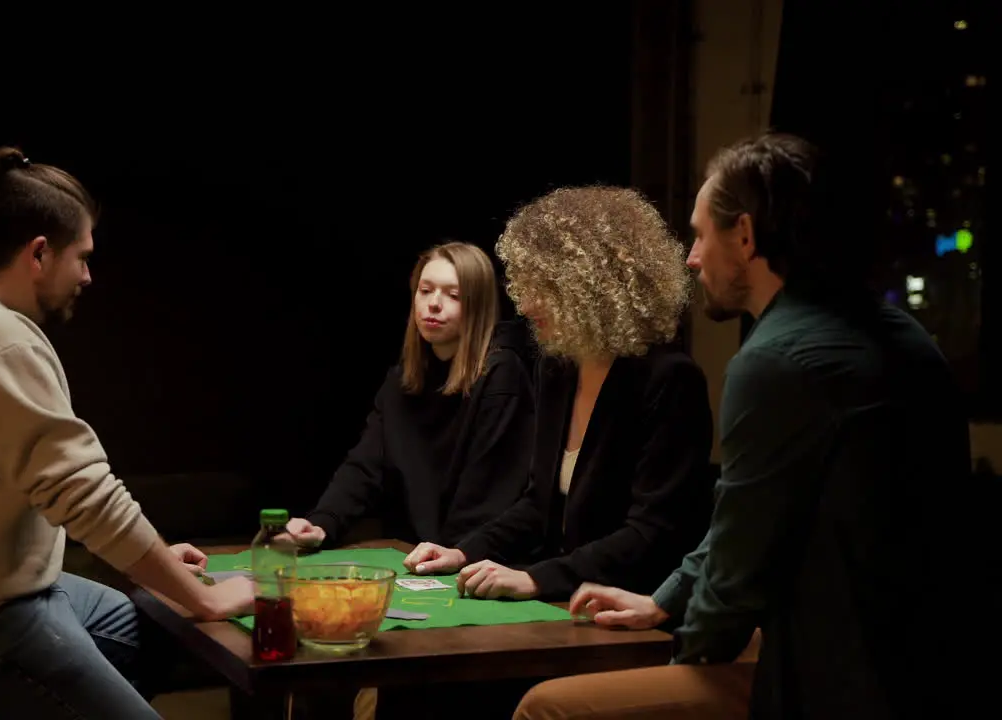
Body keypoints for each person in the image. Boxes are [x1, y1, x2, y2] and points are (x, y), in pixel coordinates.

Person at [518, 133, 973, 719]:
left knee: (546, 707)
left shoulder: (776, 361)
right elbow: (742, 521)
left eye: (701, 234)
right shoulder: (902, 333)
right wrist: (663, 602)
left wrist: (680, 655)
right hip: (929, 665)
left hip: (841, 676)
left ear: (746, 236)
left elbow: (734, 582)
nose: (690, 257)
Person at [0, 147, 253, 719]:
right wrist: (205, 599)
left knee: (155, 635)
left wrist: (159, 562)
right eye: (82, 258)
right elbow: (85, 495)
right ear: (39, 253)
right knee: (190, 617)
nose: (88, 276)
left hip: (7, 592)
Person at [400, 187, 715, 605]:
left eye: (544, 287)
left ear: (595, 290)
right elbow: (539, 505)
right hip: (566, 600)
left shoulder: (669, 380)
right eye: (524, 285)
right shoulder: (558, 365)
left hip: (633, 609)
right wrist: (465, 551)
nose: (526, 305)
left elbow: (651, 533)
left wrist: (535, 579)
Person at [284, 241, 536, 550]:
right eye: (425, 290)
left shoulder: (501, 374)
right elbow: (366, 465)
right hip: (423, 554)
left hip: (479, 559)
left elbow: (490, 493)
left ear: (478, 306)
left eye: (453, 295)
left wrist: (455, 554)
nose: (433, 304)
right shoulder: (404, 377)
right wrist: (323, 523)